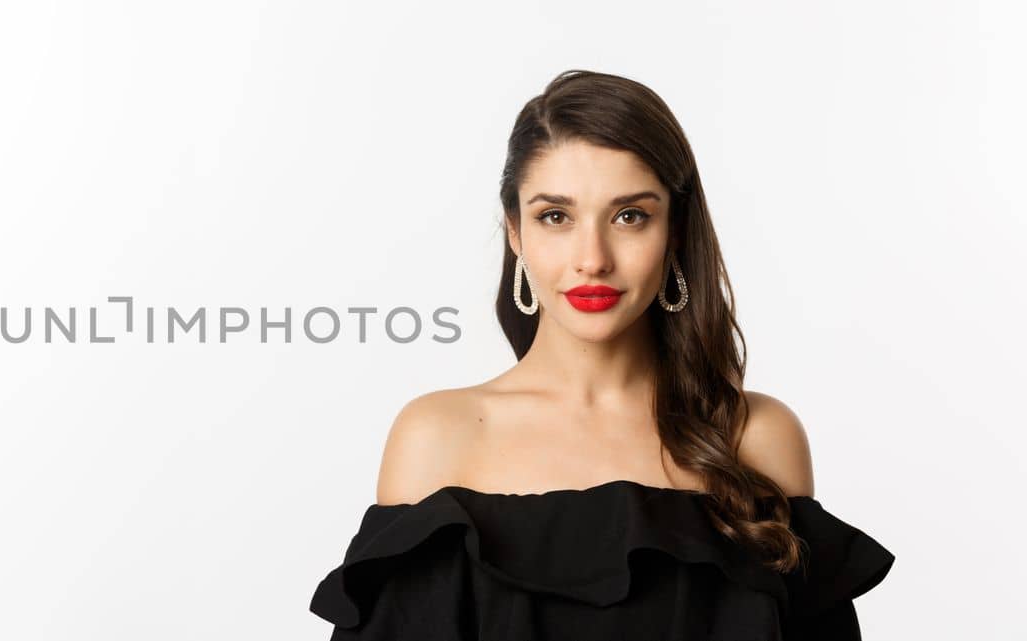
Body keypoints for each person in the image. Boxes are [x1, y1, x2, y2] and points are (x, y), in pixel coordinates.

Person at [308, 69, 895, 640]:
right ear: (516, 232)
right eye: (555, 216)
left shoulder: (755, 436)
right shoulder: (437, 435)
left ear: (674, 231)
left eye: (630, 216)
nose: (593, 258)